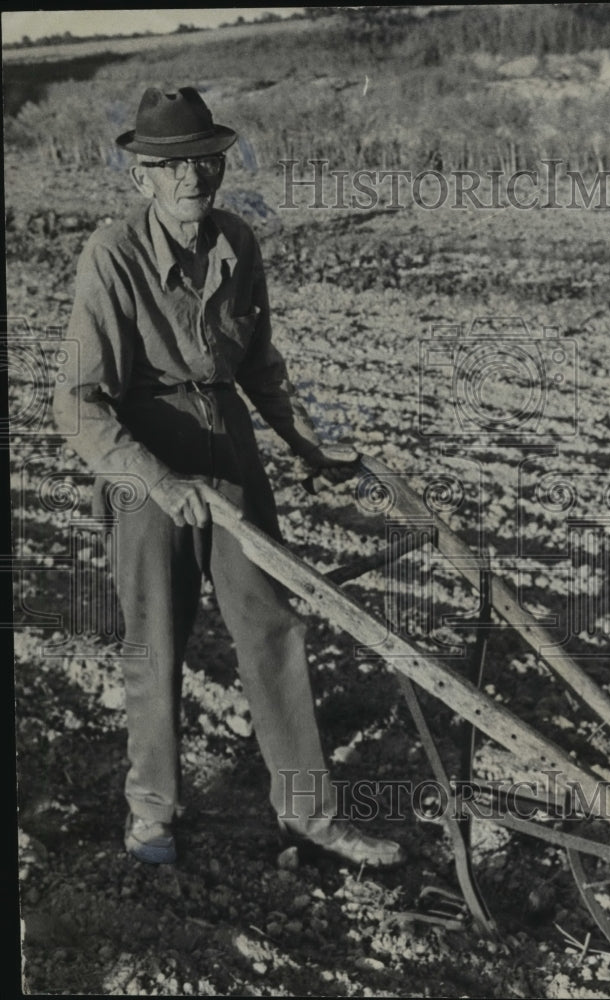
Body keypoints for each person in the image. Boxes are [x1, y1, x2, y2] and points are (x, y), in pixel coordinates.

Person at [54, 85, 405, 869]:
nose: (192, 178)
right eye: (171, 166)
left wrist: (313, 445)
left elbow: (260, 367)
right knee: (155, 639)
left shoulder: (237, 243)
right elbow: (76, 403)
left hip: (227, 447)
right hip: (144, 457)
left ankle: (309, 813)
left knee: (273, 622)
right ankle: (152, 815)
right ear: (141, 177)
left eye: (204, 161)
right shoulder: (112, 256)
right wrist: (159, 482)